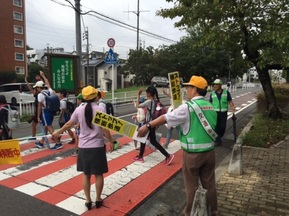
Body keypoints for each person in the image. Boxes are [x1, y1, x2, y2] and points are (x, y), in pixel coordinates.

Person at [137, 75, 218, 215]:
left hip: (193, 155)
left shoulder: (188, 107)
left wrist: (148, 126)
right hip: (210, 153)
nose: (186, 90)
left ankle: (189, 213)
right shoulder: (210, 106)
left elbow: (166, 118)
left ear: (194, 89)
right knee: (209, 184)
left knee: (191, 186)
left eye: (188, 87)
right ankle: (214, 210)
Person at [52, 85, 117, 210]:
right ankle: (98, 199)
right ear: (95, 96)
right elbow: (104, 129)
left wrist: (57, 132)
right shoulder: (100, 109)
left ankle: (88, 201)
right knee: (98, 174)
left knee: (86, 174)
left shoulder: (78, 110)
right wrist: (111, 141)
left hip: (83, 147)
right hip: (97, 147)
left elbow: (69, 124)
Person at [132, 86, 174, 165]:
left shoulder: (149, 102)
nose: (146, 94)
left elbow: (137, 106)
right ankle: (141, 156)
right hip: (153, 123)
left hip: (148, 124)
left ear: (149, 93)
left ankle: (168, 156)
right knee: (145, 139)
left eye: (147, 92)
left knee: (148, 140)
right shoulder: (156, 101)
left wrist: (138, 95)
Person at [34, 71, 62, 150]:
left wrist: (38, 116)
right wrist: (43, 76)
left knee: (49, 127)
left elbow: (39, 107)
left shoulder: (40, 95)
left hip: (45, 112)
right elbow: (48, 83)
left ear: (39, 88)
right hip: (51, 111)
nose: (36, 89)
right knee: (46, 126)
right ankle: (41, 142)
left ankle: (58, 143)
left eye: (36, 88)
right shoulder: (49, 91)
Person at [210, 79, 236, 146]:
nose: (215, 86)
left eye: (216, 84)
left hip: (223, 113)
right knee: (217, 127)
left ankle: (219, 136)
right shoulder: (212, 94)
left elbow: (230, 101)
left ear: (220, 85)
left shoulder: (226, 92)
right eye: (214, 84)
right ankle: (218, 140)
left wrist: (233, 107)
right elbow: (210, 103)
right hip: (215, 113)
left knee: (223, 126)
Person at [25, 74, 39, 140]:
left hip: (39, 113)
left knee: (47, 126)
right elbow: (30, 88)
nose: (34, 89)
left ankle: (34, 136)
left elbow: (30, 88)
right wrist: (26, 81)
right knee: (34, 125)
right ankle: (33, 136)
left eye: (35, 88)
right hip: (38, 113)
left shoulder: (39, 95)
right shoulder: (37, 95)